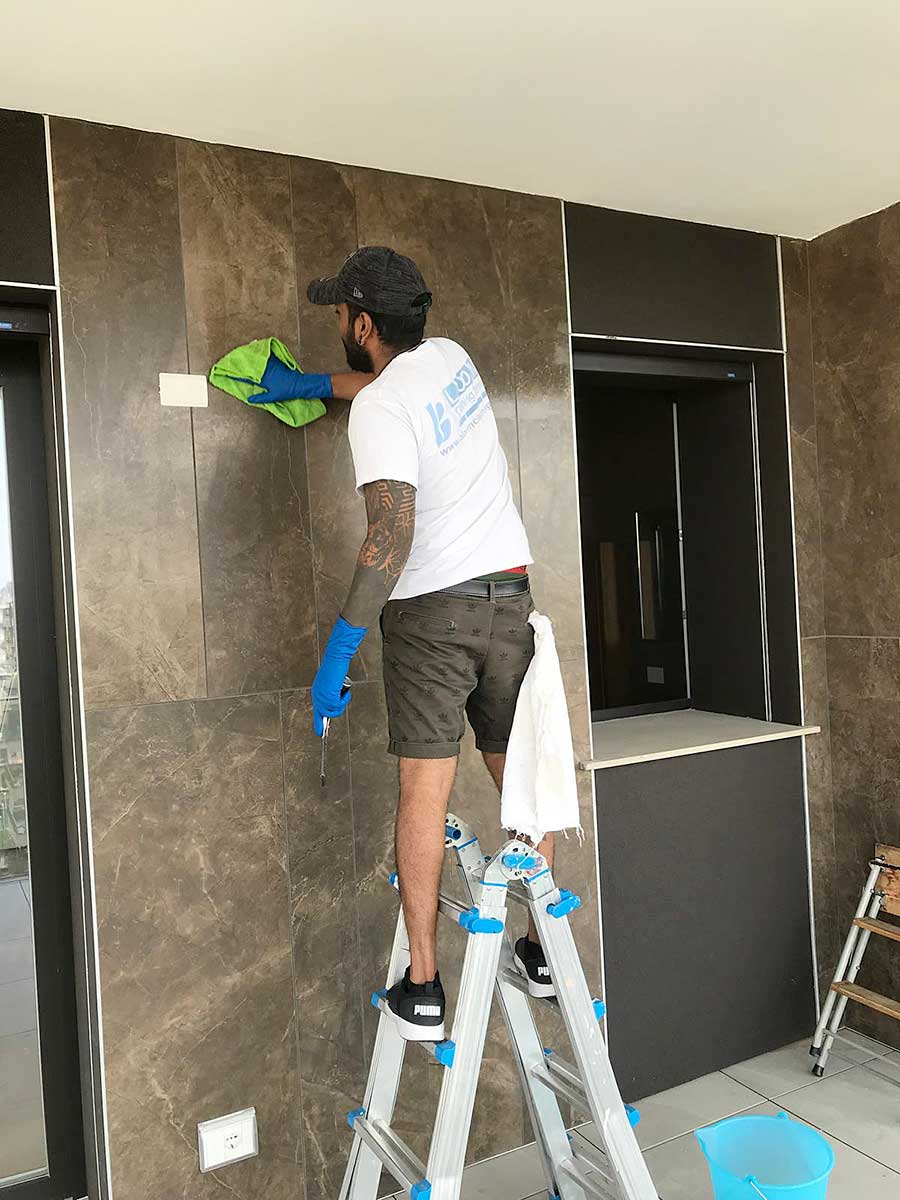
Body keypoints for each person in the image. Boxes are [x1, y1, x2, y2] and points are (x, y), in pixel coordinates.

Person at [306, 246, 556, 1042]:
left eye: (340, 314)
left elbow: (390, 538)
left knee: (424, 790)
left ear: (363, 324)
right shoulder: (451, 359)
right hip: (510, 599)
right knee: (519, 777)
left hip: (433, 615)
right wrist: (315, 387)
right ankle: (541, 951)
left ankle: (421, 986)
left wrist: (339, 650)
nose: (338, 325)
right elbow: (391, 391)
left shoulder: (379, 411)